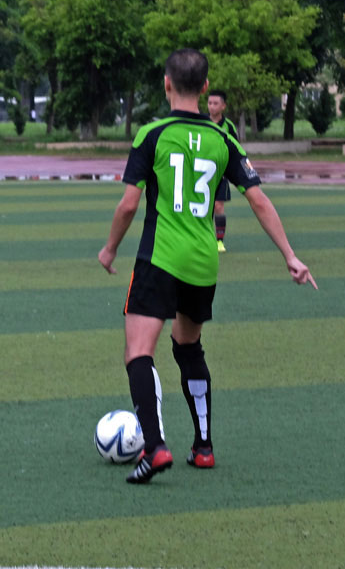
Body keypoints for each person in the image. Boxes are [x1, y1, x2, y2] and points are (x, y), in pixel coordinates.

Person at [98, 48, 317, 485]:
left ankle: (155, 446)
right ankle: (203, 447)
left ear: (166, 84)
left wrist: (109, 249)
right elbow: (258, 199)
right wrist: (290, 256)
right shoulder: (223, 139)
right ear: (205, 88)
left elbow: (128, 205)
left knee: (138, 351)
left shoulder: (152, 135)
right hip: (203, 263)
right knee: (187, 346)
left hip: (160, 257)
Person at [207, 90, 238, 252]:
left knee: (218, 205)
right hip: (203, 172)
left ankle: (219, 241)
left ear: (223, 106)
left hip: (221, 174)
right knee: (204, 207)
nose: (212, 106)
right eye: (209, 103)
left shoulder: (229, 126)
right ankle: (203, 239)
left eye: (215, 103)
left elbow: (235, 149)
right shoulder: (202, 123)